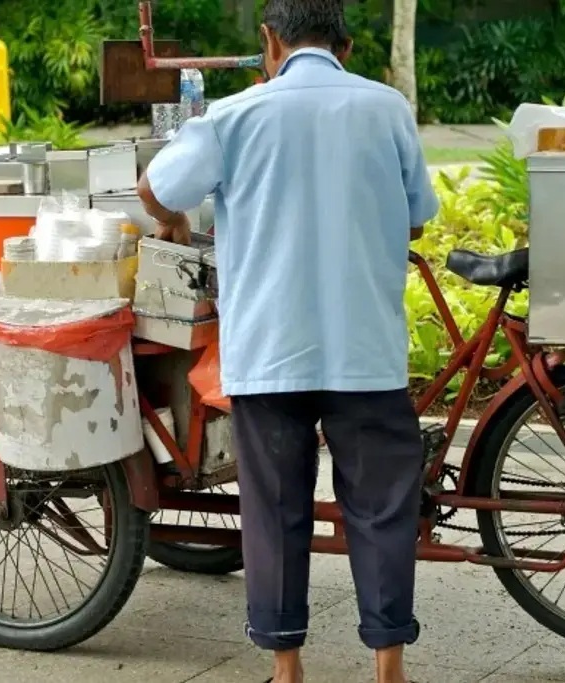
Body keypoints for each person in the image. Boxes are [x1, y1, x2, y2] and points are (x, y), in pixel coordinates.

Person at [137, 1, 440, 681]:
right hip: (366, 351)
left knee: (274, 509)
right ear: (346, 48)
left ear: (269, 41)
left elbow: (153, 188)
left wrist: (176, 222)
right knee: (382, 508)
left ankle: (287, 667)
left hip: (271, 352)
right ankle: (388, 665)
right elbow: (417, 220)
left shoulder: (236, 116)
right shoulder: (387, 108)